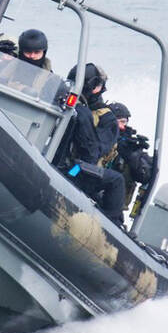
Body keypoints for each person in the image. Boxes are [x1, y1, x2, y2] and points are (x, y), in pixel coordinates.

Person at [64, 63, 126, 227]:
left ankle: (112, 226)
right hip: (54, 159)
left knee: (75, 171)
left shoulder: (107, 119)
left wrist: (84, 122)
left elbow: (92, 154)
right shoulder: (66, 102)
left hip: (80, 169)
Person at [107, 102, 154, 211]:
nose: (124, 126)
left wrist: (134, 155)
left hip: (115, 205)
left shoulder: (130, 144)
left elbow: (145, 176)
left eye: (125, 122)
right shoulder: (101, 135)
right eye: (121, 122)